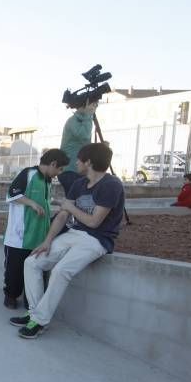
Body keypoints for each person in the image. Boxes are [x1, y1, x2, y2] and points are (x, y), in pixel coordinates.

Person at [11, 143, 125, 339]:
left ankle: (39, 321)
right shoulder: (79, 184)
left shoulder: (111, 185)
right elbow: (63, 216)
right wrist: (47, 241)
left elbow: (94, 221)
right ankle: (34, 313)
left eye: (79, 160)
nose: (77, 163)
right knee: (32, 262)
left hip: (98, 239)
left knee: (61, 271)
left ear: (88, 162)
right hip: (75, 233)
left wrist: (69, 207)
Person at [2, 149, 69, 309]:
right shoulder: (28, 173)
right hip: (19, 238)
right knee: (14, 271)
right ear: (53, 164)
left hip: (39, 237)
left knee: (35, 271)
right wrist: (32, 204)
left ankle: (30, 300)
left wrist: (57, 202)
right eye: (59, 169)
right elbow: (12, 194)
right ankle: (10, 296)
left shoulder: (47, 181)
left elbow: (44, 198)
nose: (59, 173)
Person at [58, 100, 97, 196]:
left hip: (79, 171)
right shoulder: (73, 121)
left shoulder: (84, 121)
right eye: (93, 104)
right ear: (83, 106)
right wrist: (88, 115)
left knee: (79, 203)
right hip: (70, 171)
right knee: (74, 202)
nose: (94, 107)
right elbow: (84, 135)